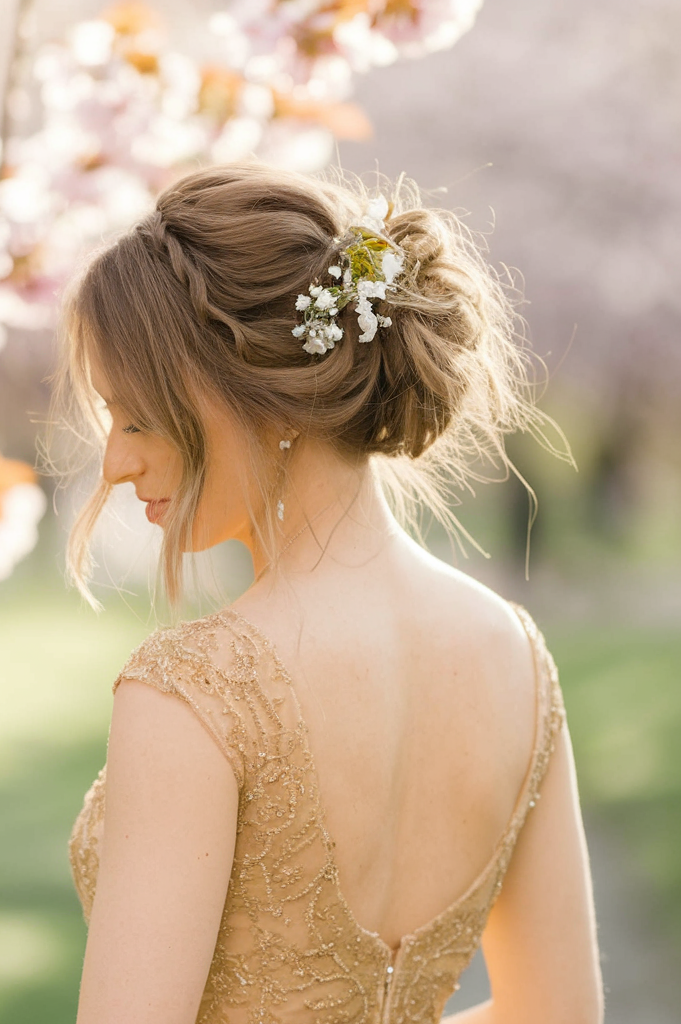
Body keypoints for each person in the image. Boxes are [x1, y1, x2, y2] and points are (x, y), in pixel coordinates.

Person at [57, 164, 603, 1024]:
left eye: (136, 417)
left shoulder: (196, 689)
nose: (116, 464)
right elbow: (559, 1014)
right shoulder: (514, 656)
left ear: (254, 393)